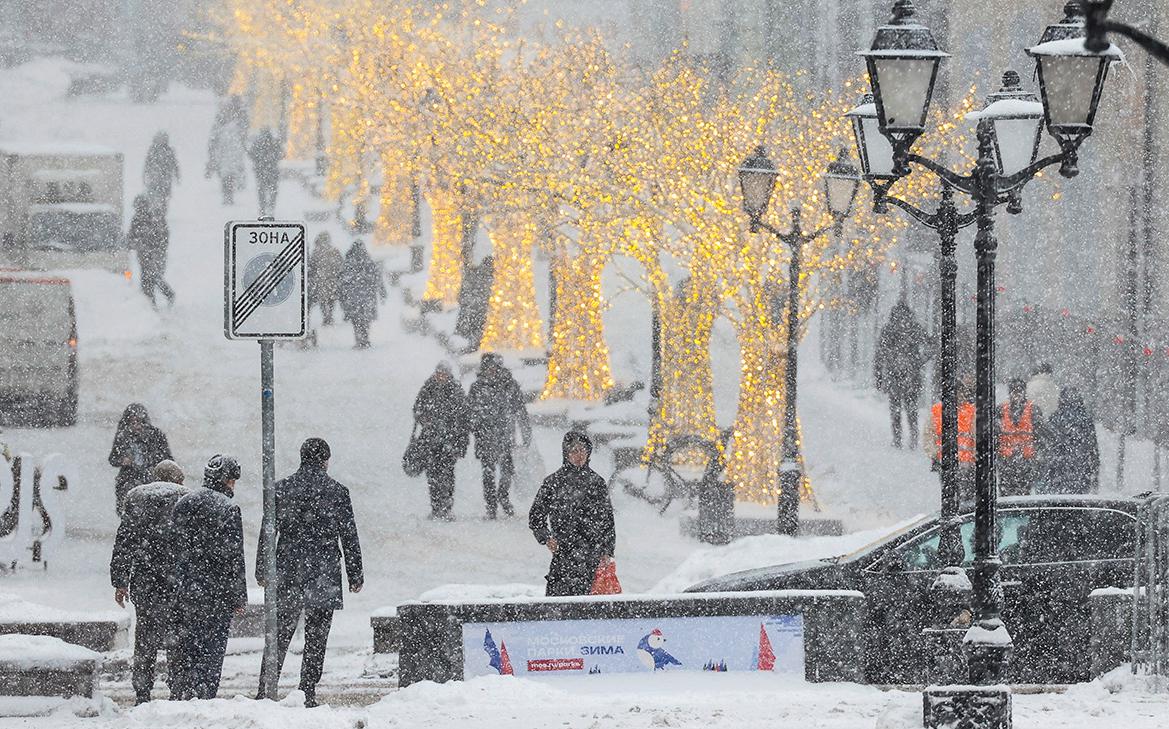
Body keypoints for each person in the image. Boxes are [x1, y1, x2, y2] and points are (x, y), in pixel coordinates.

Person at [255, 438, 362, 707]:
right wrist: (355, 573)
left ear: (302, 458)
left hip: (289, 568)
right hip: (324, 570)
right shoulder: (337, 491)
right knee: (317, 638)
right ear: (326, 460)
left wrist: (262, 569)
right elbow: (349, 535)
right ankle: (306, 691)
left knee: (278, 635)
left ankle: (266, 689)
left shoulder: (281, 489)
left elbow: (268, 531)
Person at [110, 460, 191, 704]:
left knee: (145, 639)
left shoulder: (136, 497)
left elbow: (124, 542)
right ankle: (178, 690)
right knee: (178, 639)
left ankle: (142, 692)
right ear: (179, 480)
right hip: (179, 581)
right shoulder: (188, 498)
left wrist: (120, 581)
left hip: (146, 581)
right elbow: (194, 544)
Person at [171, 455, 247, 700]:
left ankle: (182, 690)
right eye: (233, 480)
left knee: (186, 644)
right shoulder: (228, 508)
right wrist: (239, 596)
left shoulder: (184, 503)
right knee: (212, 648)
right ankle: (205, 694)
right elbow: (234, 557)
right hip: (217, 592)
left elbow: (173, 549)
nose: (233, 486)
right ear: (226, 480)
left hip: (185, 589)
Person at [529, 431, 616, 597]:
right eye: (574, 451)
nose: (579, 455)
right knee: (558, 609)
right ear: (566, 453)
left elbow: (607, 521)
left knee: (593, 611)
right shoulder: (553, 483)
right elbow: (536, 516)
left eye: (583, 450)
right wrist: (546, 538)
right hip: (564, 558)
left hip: (592, 558)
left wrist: (607, 551)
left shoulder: (597, 483)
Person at [467, 353, 531, 519]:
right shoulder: (477, 387)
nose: (491, 371)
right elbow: (469, 412)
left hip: (505, 436)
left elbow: (520, 410)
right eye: (488, 367)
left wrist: (526, 433)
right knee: (488, 473)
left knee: (507, 471)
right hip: (485, 437)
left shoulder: (510, 385)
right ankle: (491, 506)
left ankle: (503, 495)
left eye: (494, 367)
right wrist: (476, 426)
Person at [412, 363, 470, 519]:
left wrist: (460, 443)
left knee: (447, 475)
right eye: (439, 374)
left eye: (444, 374)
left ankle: (446, 506)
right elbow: (417, 409)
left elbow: (464, 419)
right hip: (431, 441)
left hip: (449, 442)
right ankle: (436, 506)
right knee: (432, 475)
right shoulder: (428, 388)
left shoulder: (456, 392)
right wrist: (424, 418)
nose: (441, 377)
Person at [874, 299, 931, 449]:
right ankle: (912, 437)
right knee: (911, 409)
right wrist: (918, 361)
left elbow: (879, 355)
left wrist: (879, 376)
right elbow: (930, 346)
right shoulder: (914, 328)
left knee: (896, 410)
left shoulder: (888, 329)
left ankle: (898, 438)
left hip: (894, 376)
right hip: (912, 376)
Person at [108, 403, 173, 516]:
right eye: (132, 422)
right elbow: (113, 458)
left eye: (140, 422)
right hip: (129, 482)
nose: (137, 426)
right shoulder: (123, 437)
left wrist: (155, 464)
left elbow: (168, 459)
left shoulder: (156, 436)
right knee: (130, 517)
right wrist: (122, 460)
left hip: (152, 482)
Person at [924, 378, 976, 504]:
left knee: (965, 498)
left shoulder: (971, 411)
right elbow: (928, 435)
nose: (957, 395)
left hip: (967, 464)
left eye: (959, 391)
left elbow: (976, 435)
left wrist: (975, 455)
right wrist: (935, 453)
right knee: (950, 498)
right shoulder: (937, 411)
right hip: (946, 462)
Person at [1040, 387, 1099, 494]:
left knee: (1059, 504)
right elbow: (1093, 448)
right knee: (1079, 502)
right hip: (1081, 468)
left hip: (1059, 468)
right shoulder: (1086, 420)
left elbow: (1049, 445)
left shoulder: (1055, 418)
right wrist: (1094, 471)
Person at [128, 194, 175, 308]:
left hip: (153, 255)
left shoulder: (153, 218)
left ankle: (156, 300)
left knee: (151, 278)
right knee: (149, 278)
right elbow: (131, 236)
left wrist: (156, 250)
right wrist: (134, 244)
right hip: (145, 256)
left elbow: (163, 236)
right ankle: (152, 302)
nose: (139, 208)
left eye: (141, 205)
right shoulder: (137, 219)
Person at [996, 378, 1040, 497]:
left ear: (1024, 392)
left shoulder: (1033, 410)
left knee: (1024, 494)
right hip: (1006, 462)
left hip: (1026, 461)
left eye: (1019, 391)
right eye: (1014, 391)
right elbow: (995, 436)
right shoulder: (1001, 410)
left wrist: (1038, 456)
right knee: (1006, 494)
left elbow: (1040, 435)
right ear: (1010, 393)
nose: (1017, 394)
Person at [338, 240, 385, 348]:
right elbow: (377, 277)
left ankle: (359, 339)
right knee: (365, 319)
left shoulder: (349, 262)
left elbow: (342, 279)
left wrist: (342, 293)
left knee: (356, 320)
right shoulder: (368, 261)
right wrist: (381, 291)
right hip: (367, 296)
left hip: (353, 297)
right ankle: (365, 338)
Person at [206, 107, 246, 205]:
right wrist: (239, 161)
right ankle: (229, 196)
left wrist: (216, 160)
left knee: (225, 179)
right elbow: (239, 150)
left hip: (225, 161)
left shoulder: (222, 134)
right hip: (233, 161)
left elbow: (219, 149)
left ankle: (227, 196)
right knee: (230, 179)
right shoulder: (235, 135)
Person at [308, 232, 343, 326]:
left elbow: (312, 266)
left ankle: (325, 316)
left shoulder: (316, 252)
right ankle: (330, 316)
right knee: (331, 299)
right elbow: (340, 265)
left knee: (323, 300)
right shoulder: (334, 251)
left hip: (321, 280)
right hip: (332, 280)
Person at [143, 131, 180, 215]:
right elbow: (147, 163)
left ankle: (161, 211)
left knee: (163, 195)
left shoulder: (166, 150)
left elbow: (174, 164)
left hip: (163, 178)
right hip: (157, 177)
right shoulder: (153, 150)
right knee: (154, 194)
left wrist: (177, 175)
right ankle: (154, 210)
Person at [249, 128, 282, 217]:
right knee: (273, 190)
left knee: (262, 190)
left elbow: (252, 155)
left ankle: (263, 207)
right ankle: (270, 206)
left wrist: (258, 161)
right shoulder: (274, 143)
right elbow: (280, 154)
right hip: (272, 171)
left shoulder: (258, 144)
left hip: (261, 171)